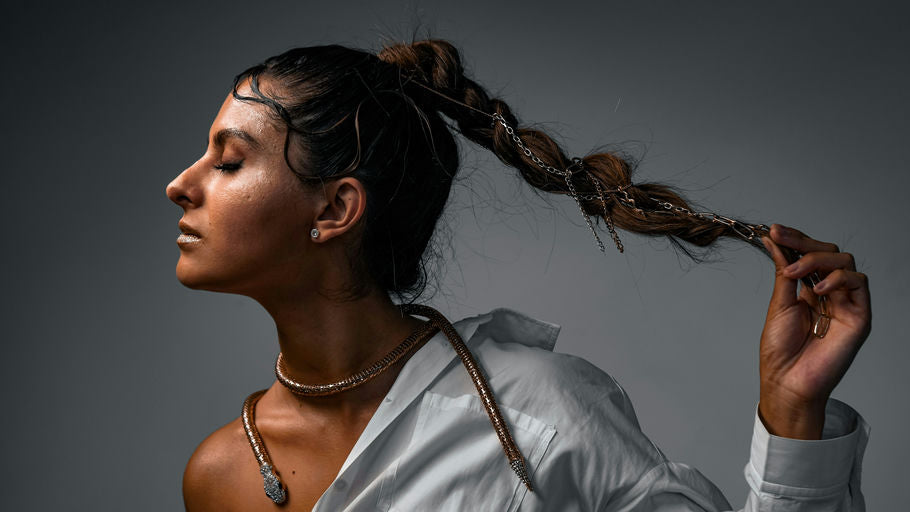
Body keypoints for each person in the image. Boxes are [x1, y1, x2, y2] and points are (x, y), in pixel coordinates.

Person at [166, 39, 871, 511]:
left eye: (227, 162)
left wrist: (793, 413)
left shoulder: (539, 412)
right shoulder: (222, 474)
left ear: (335, 208)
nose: (180, 185)